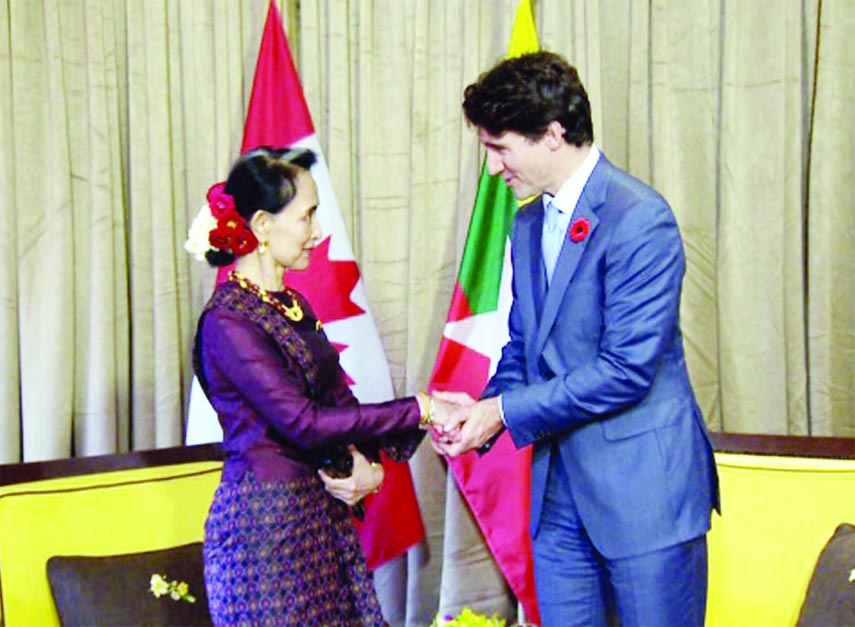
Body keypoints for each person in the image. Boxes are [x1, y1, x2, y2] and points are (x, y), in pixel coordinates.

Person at [433, 52, 720, 627]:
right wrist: (483, 409)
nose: (493, 170)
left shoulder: (639, 218)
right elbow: (523, 345)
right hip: (557, 498)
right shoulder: (528, 222)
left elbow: (625, 371)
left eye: (500, 148)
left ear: (553, 135)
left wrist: (502, 411)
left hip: (645, 499)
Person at [188, 146, 451, 627]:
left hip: (318, 524)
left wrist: (367, 463)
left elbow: (337, 404)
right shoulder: (228, 321)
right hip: (264, 539)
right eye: (307, 217)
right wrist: (420, 409)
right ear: (263, 226)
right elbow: (303, 423)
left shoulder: (291, 304)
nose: (318, 232)